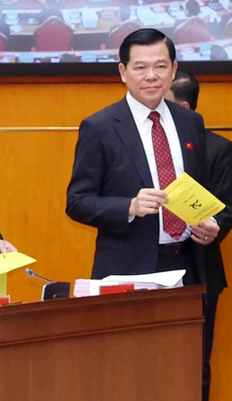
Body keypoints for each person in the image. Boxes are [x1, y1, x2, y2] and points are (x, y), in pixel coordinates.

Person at [66, 28, 217, 286]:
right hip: (128, 269)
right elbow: (77, 202)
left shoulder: (190, 121)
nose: (151, 76)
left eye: (160, 66)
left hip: (188, 267)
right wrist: (129, 206)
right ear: (123, 72)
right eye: (140, 68)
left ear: (173, 68)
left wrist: (208, 221)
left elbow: (200, 187)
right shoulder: (99, 127)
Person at [166, 70, 232, 401]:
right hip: (143, 269)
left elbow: (229, 210)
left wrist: (214, 226)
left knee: (195, 372)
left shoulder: (216, 148)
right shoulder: (128, 140)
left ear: (184, 107)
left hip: (199, 271)